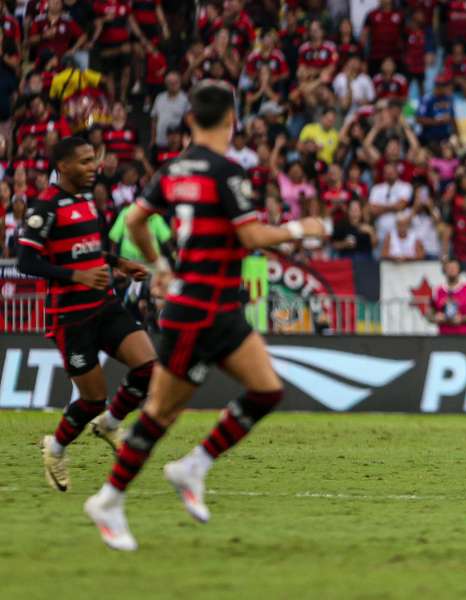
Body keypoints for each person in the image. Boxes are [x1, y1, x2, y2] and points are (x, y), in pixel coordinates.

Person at [83, 81, 326, 551]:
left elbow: (135, 221)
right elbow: (252, 238)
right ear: (233, 122)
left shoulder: (173, 169)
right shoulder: (227, 172)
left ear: (190, 120)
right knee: (161, 413)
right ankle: (109, 499)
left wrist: (162, 263)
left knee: (267, 390)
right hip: (195, 310)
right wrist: (303, 228)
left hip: (219, 308)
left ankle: (193, 466)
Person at [16, 137, 156, 492]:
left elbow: (91, 249)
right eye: (85, 161)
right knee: (92, 399)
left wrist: (118, 262)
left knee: (149, 367)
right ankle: (56, 448)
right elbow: (26, 261)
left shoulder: (86, 202)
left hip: (104, 305)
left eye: (94, 160)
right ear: (62, 167)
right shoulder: (45, 207)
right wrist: (74, 275)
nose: (94, 167)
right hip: (70, 317)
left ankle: (110, 424)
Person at [426, 257, 466, 336]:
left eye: (454, 267)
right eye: (449, 267)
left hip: (465, 337)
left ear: (459, 270)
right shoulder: (437, 290)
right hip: (443, 338)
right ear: (444, 270)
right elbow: (428, 314)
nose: (452, 270)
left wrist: (462, 319)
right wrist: (436, 318)